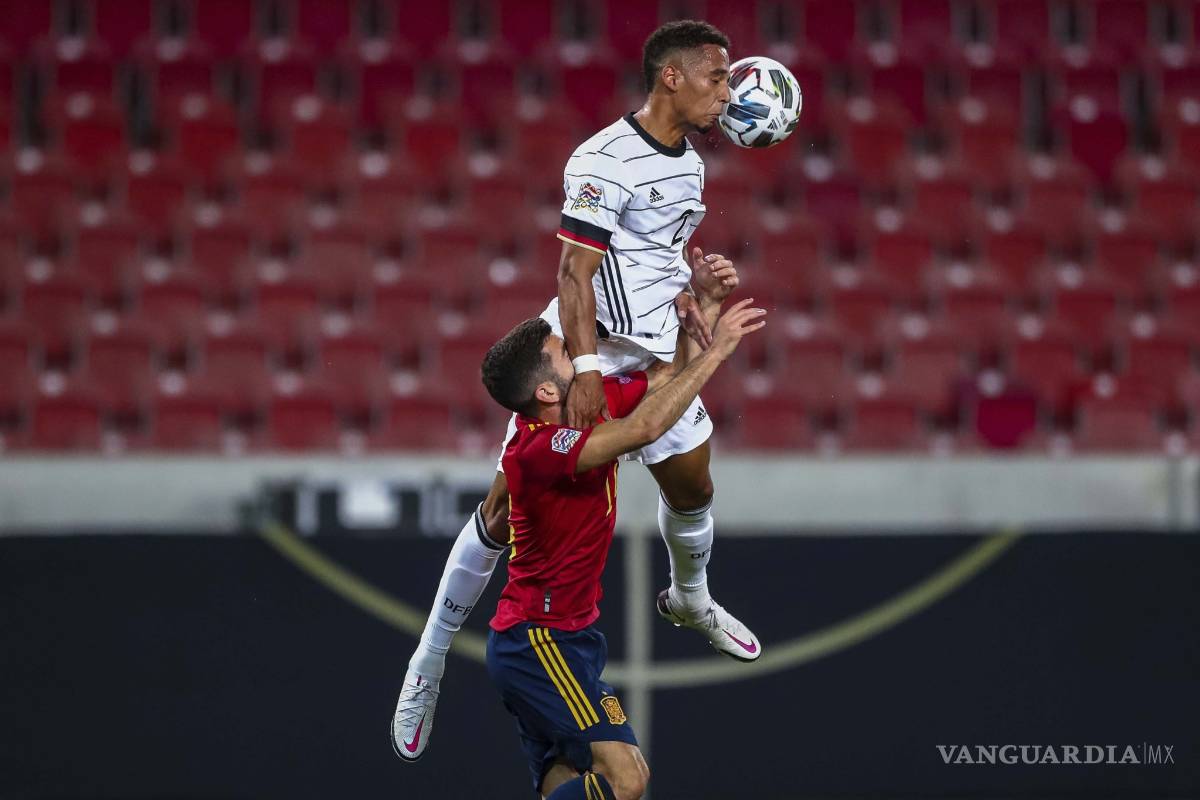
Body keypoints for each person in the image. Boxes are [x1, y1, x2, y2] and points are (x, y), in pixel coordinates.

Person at [393, 20, 751, 761]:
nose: (730, 90)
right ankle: (426, 661)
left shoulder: (690, 165)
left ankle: (689, 598)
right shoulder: (602, 160)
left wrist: (695, 290)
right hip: (580, 356)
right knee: (501, 511)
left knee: (694, 486)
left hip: (652, 355)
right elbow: (574, 275)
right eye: (717, 76)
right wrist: (585, 371)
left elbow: (650, 257)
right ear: (671, 78)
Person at [480, 286, 766, 800]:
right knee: (628, 780)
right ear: (546, 391)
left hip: (571, 638)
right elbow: (647, 427)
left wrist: (702, 312)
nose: (580, 352)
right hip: (538, 640)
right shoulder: (536, 450)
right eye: (564, 353)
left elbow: (665, 380)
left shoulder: (585, 406)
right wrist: (720, 351)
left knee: (566, 781)